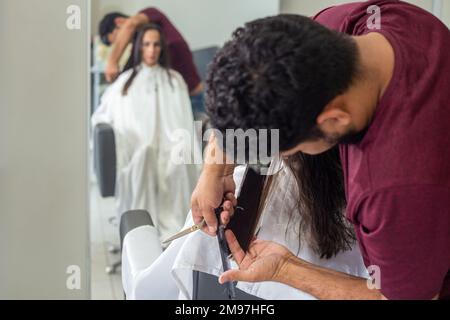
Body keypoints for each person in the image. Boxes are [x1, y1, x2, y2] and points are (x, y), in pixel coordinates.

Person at [191, 0, 450, 300]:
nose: (286, 158)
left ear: (334, 120)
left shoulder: (394, 190)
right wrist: (215, 170)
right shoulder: (372, 22)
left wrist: (284, 269)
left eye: (290, 148)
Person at [123, 155, 368, 300]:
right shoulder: (371, 211)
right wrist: (215, 170)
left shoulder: (241, 190)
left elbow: (150, 292)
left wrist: (215, 169)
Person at [92, 24, 201, 243]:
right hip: (139, 148)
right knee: (145, 156)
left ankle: (178, 234)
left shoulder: (174, 80)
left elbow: (183, 122)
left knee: (179, 159)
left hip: (171, 145)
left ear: (161, 48)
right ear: (139, 48)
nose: (151, 50)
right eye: (146, 44)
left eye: (156, 44)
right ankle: (141, 230)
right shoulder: (126, 81)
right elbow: (103, 115)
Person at [99, 7, 203, 97]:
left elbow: (131, 25)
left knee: (197, 121)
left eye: (118, 39)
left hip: (194, 99)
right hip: (173, 102)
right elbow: (126, 75)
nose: (151, 50)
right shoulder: (138, 47)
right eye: (147, 44)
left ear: (119, 22)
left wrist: (112, 61)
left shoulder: (151, 13)